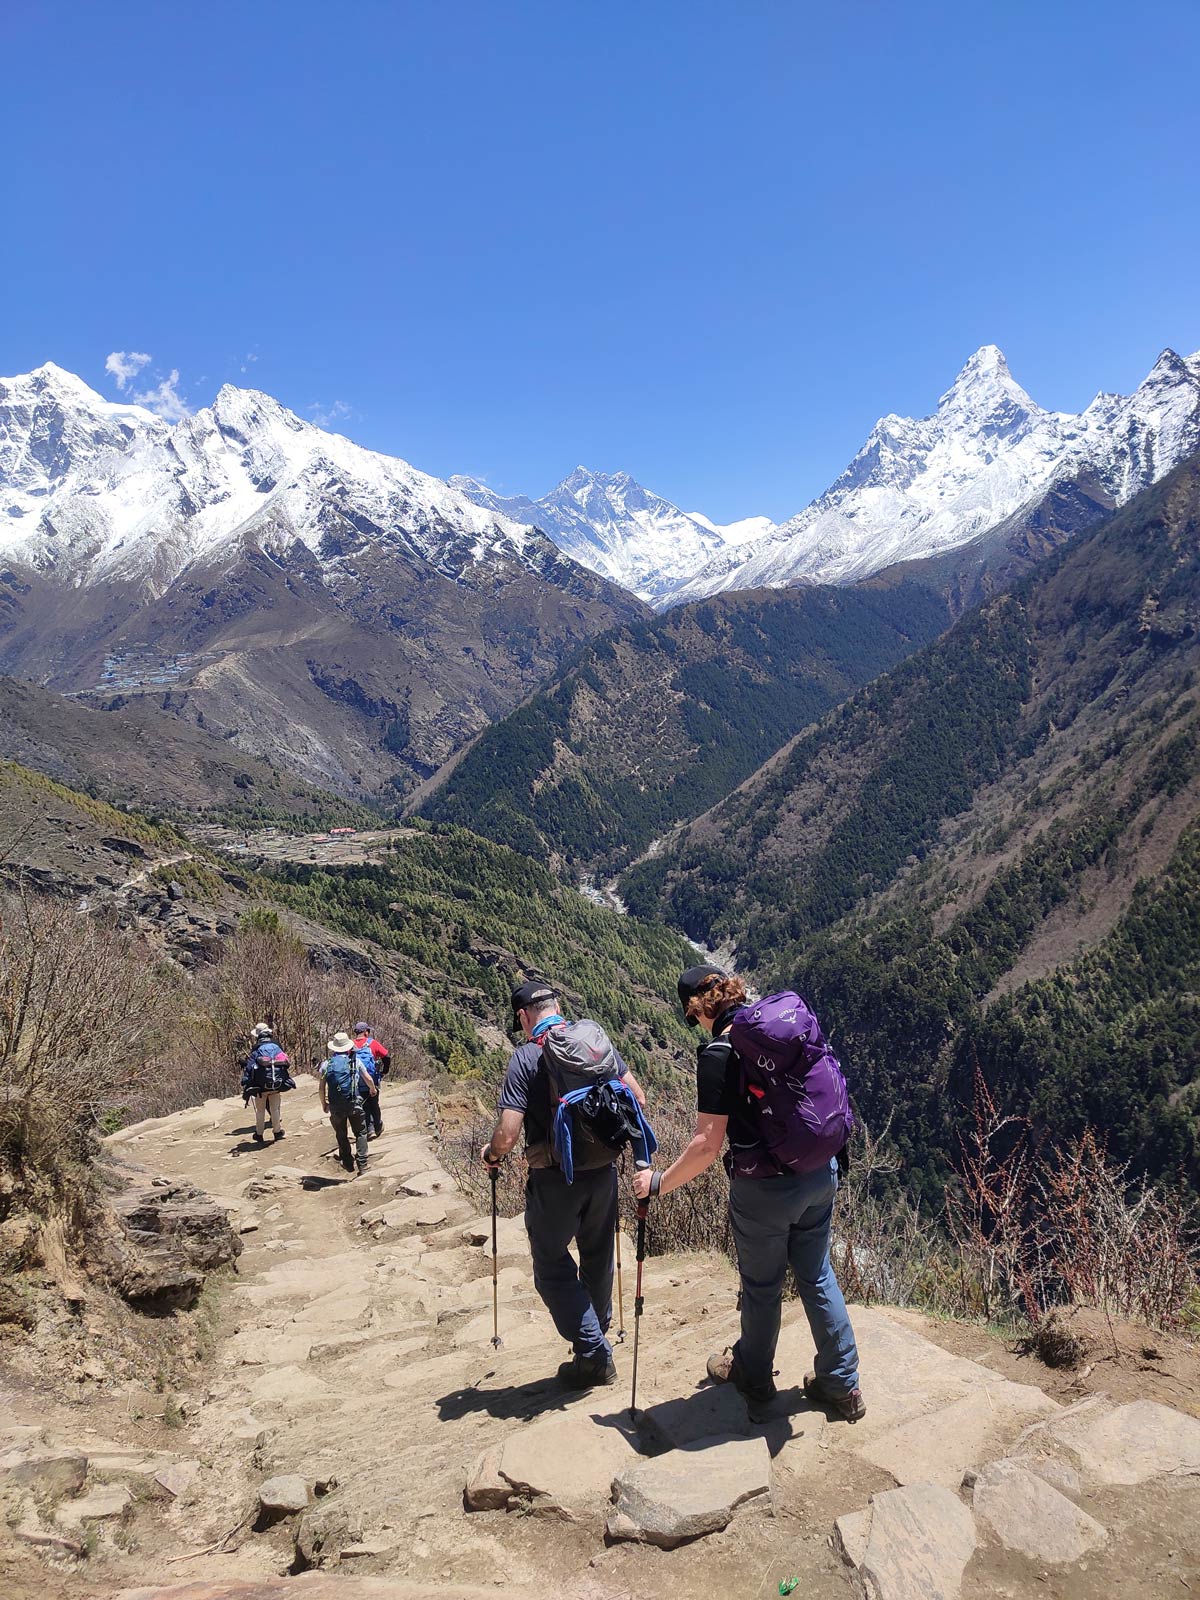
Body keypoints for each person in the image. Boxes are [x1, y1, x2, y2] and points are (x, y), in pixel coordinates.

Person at [634, 965, 864, 1421]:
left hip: (764, 1190)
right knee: (817, 1274)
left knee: (762, 1287)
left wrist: (658, 1182)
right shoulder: (777, 1029)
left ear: (695, 1011)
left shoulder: (718, 1053)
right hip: (821, 1172)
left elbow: (706, 1145)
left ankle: (754, 1378)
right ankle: (842, 1384)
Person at [481, 975, 649, 1389]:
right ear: (558, 1008)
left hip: (556, 1179)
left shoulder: (525, 1057)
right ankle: (596, 1335)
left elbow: (508, 1133)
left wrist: (492, 1155)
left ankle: (592, 1352)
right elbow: (638, 1097)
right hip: (604, 1170)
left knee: (550, 1264)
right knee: (598, 1255)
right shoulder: (592, 1043)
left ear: (524, 1017)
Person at [319, 1030, 378, 1176]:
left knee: (341, 1133)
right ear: (348, 1047)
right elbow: (368, 1078)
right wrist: (372, 1089)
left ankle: (347, 1162)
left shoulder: (327, 1064)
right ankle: (362, 1165)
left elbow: (321, 1088)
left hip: (335, 1105)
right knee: (361, 1132)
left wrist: (324, 1104)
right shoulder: (355, 1061)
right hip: (354, 1103)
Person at [242, 1023, 294, 1144]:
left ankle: (259, 1134)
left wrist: (246, 1082)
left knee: (260, 1111)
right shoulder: (277, 1046)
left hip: (260, 1087)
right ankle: (277, 1132)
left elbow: (249, 1068)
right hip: (276, 1083)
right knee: (275, 1109)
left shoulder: (256, 1049)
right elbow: (286, 1063)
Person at [353, 1021, 391, 1139]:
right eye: (368, 1031)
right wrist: (384, 1071)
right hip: (372, 1080)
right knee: (374, 1103)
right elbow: (387, 1057)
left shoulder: (350, 1045)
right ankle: (377, 1126)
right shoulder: (372, 1043)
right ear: (365, 1032)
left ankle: (369, 1128)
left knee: (363, 1105)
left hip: (357, 1082)